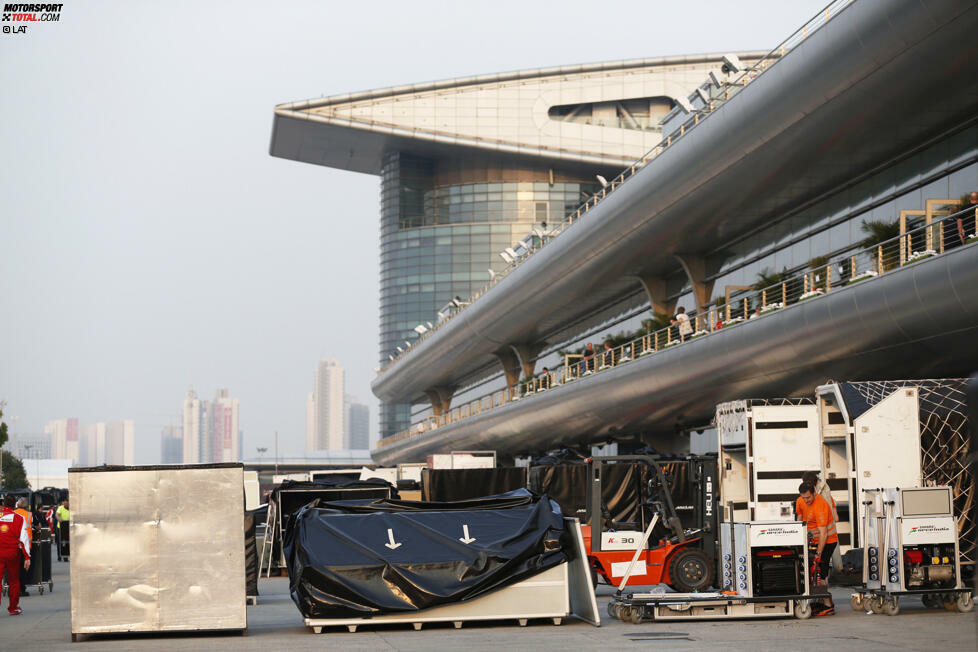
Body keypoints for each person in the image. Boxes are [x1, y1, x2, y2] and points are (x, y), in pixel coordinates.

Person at [797, 482, 837, 616]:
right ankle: (821, 601)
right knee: (812, 571)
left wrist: (818, 554)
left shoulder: (820, 505)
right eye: (803, 498)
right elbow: (799, 519)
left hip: (827, 542)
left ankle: (828, 605)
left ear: (814, 492)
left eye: (808, 497)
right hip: (813, 541)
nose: (806, 500)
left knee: (820, 571)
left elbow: (824, 533)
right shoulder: (800, 501)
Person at [0, 494, 31, 615]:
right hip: (13, 554)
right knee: (13, 581)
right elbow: (24, 539)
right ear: (14, 505)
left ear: (3, 504)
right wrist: (27, 557)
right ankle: (13, 608)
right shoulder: (19, 518)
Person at [14, 498, 32, 597]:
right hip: (26, 545)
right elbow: (35, 526)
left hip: (14, 544)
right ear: (26, 506)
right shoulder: (29, 514)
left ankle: (15, 588)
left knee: (14, 568)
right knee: (24, 568)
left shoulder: (13, 513)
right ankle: (22, 588)